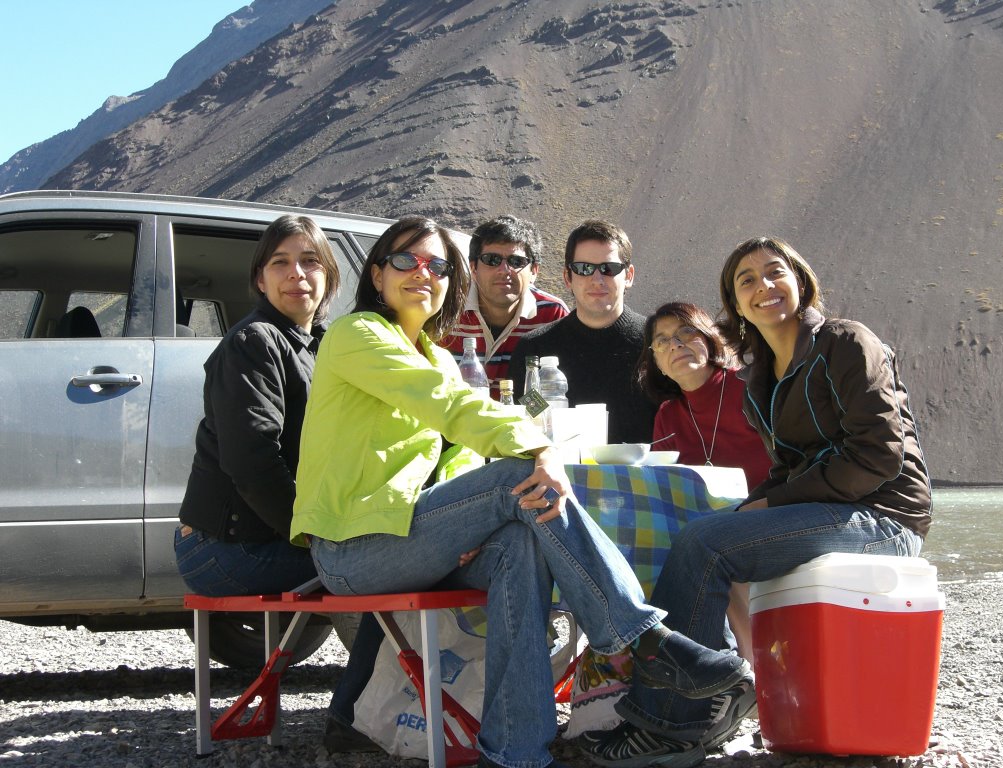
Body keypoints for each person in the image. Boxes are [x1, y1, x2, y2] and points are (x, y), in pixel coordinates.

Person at [291, 216, 751, 768]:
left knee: (520, 543)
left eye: (437, 265)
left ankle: (517, 752)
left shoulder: (437, 356)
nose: (422, 273)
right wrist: (539, 449)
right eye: (405, 261)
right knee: (520, 476)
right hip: (353, 548)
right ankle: (647, 643)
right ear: (376, 273)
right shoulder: (357, 335)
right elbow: (453, 408)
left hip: (417, 538)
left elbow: (458, 458)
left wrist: (469, 523)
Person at [581, 236, 932, 767]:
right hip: (831, 512)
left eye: (775, 273)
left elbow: (878, 458)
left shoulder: (845, 342)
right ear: (736, 304)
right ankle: (702, 702)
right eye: (747, 281)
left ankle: (676, 723)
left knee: (707, 545)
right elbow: (789, 469)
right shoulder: (764, 376)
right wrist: (759, 504)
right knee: (702, 533)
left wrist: (773, 502)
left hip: (883, 515)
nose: (763, 286)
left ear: (800, 280)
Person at [175, 215, 339, 596]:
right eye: (279, 262)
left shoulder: (328, 346)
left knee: (390, 557)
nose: (296, 273)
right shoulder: (253, 343)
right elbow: (252, 459)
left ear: (329, 275)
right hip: (230, 548)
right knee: (375, 566)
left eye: (310, 261)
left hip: (276, 534)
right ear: (260, 280)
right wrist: (315, 536)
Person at [637, 301, 772, 663]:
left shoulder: (749, 390)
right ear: (657, 362)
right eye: (662, 341)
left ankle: (749, 665)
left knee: (716, 545)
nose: (676, 345)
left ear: (709, 340)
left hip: (772, 513)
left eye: (686, 333)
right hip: (709, 527)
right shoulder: (668, 415)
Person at [508, 219, 657, 444]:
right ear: (568, 277)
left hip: (643, 477)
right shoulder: (533, 353)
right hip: (560, 476)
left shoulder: (657, 344)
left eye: (608, 269)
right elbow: (528, 426)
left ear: (628, 276)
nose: (596, 280)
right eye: (584, 269)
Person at [441, 215, 568, 397]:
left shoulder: (553, 314)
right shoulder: (446, 310)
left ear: (534, 271)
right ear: (473, 268)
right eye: (492, 260)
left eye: (516, 262)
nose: (504, 270)